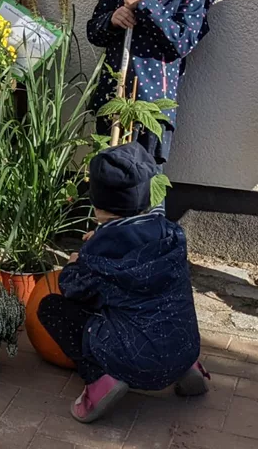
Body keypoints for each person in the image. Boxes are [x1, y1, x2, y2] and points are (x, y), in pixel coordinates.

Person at [37, 143, 207, 424]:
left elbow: (74, 290)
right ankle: (186, 367)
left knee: (52, 309)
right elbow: (135, 253)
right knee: (163, 306)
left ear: (97, 203)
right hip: (184, 346)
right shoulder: (172, 234)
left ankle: (100, 381)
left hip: (136, 360)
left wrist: (75, 264)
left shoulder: (99, 251)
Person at [88, 0, 220, 187]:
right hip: (114, 95)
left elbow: (182, 43)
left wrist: (145, 4)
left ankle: (146, 232)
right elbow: (93, 32)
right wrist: (112, 20)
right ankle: (105, 233)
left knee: (145, 182)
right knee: (106, 178)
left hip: (152, 103)